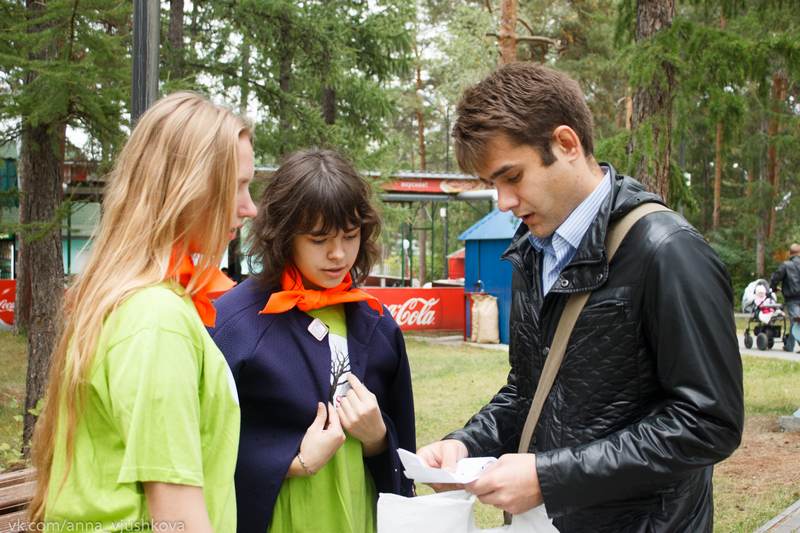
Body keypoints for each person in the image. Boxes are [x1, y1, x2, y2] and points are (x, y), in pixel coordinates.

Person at [417, 63, 744, 532]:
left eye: (512, 176)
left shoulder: (667, 251)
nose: (504, 201)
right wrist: (467, 444)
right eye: (494, 184)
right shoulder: (531, 252)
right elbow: (528, 389)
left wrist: (550, 477)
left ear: (566, 144)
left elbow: (708, 422)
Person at [29, 92, 257, 531]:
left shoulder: (126, 298)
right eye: (238, 186)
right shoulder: (157, 318)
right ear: (187, 188)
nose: (251, 207)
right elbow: (177, 519)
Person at [210, 148, 415, 533]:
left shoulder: (378, 324)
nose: (339, 254)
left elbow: (403, 457)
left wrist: (378, 438)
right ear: (285, 236)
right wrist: (292, 461)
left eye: (350, 236)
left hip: (362, 517)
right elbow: (203, 445)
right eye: (319, 239)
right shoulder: (233, 323)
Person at [770, 243, 800, 329]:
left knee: (795, 323)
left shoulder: (786, 265)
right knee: (796, 323)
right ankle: (790, 342)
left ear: (790, 253)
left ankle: (790, 343)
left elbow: (775, 278)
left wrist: (773, 288)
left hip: (792, 298)